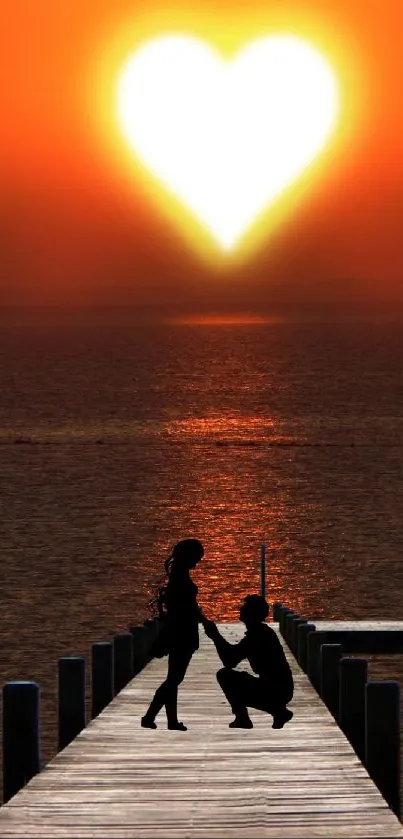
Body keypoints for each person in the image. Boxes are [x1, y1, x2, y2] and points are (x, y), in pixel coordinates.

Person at [141, 538, 205, 731]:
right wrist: (203, 619)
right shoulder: (181, 579)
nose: (197, 563)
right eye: (196, 558)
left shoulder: (179, 575)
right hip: (182, 633)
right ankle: (150, 716)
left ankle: (171, 721)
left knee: (173, 678)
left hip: (182, 631)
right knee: (174, 679)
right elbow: (184, 608)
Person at [203, 594, 294, 729]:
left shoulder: (258, 635)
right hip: (279, 688)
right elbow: (232, 655)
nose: (241, 609)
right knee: (237, 678)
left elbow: (230, 660)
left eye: (245, 607)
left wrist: (215, 636)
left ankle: (245, 718)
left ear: (252, 613)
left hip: (277, 690)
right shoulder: (260, 632)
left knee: (225, 676)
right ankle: (278, 711)